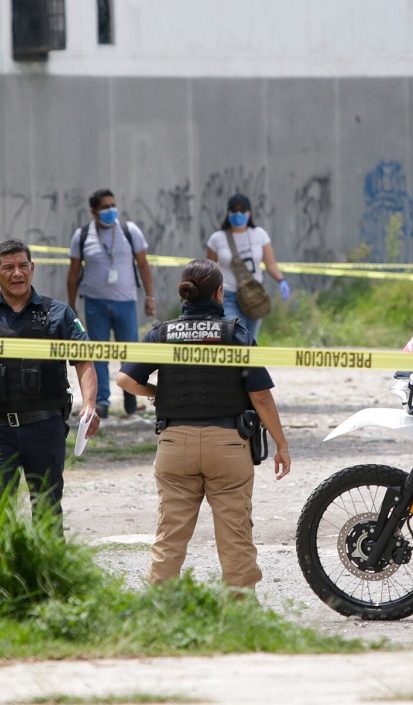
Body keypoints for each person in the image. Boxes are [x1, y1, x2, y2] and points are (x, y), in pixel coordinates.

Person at [115, 258, 291, 593]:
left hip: (174, 446)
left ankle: (160, 610)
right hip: (227, 446)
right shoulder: (236, 335)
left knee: (170, 536)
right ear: (219, 293)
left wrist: (155, 391)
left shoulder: (162, 334)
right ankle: (241, 616)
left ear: (185, 294)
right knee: (235, 535)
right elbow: (262, 398)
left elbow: (125, 378)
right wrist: (282, 445)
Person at [0, 239, 101, 521]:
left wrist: (89, 405)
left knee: (47, 511)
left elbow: (84, 360)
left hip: (44, 426)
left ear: (32, 268)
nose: (17, 273)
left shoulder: (58, 313)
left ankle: (46, 567)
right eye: (8, 267)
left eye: (22, 266)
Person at [68, 188, 156, 419]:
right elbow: (73, 272)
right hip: (95, 303)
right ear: (94, 211)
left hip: (125, 301)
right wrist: (71, 306)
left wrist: (150, 297)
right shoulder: (83, 235)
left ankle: (130, 394)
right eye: (105, 206)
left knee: (129, 352)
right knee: (98, 352)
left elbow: (144, 265)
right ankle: (102, 401)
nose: (110, 210)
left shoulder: (129, 231)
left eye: (112, 205)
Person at [205, 193, 290, 339]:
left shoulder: (259, 235)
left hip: (254, 295)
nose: (239, 214)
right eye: (234, 210)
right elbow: (210, 269)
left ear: (249, 213)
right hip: (228, 295)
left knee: (251, 339)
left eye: (243, 210)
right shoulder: (217, 239)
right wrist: (208, 294)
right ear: (228, 213)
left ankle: (248, 362)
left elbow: (270, 264)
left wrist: (281, 281)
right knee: (236, 335)